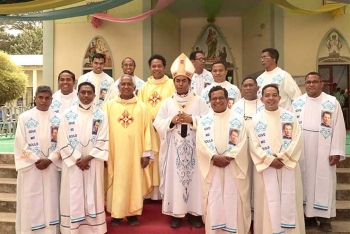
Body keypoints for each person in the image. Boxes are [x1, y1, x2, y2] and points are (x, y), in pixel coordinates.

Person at [153, 53, 209, 228]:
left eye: (184, 80)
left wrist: (192, 120)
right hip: (174, 150)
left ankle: (194, 214)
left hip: (194, 149)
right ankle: (176, 213)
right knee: (176, 181)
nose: (180, 83)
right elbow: (158, 122)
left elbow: (208, 122)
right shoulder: (167, 103)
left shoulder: (199, 101)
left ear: (189, 82)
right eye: (177, 80)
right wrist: (172, 121)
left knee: (195, 181)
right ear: (174, 82)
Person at [291, 72, 346, 232]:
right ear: (305, 84)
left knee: (325, 183)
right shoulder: (297, 103)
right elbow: (291, 128)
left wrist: (336, 150)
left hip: (325, 150)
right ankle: (307, 218)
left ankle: (325, 219)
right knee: (304, 182)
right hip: (303, 149)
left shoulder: (331, 102)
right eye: (308, 82)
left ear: (322, 84)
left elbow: (339, 128)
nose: (311, 85)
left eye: (315, 82)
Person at [249, 84, 305, 234]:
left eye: (274, 95)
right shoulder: (255, 120)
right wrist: (268, 160)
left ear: (280, 98)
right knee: (266, 204)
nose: (271, 98)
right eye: (267, 95)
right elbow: (253, 146)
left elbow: (297, 140)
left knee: (290, 200)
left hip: (287, 167)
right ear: (261, 99)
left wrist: (282, 158)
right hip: (266, 168)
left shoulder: (289, 117)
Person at [196, 86, 251, 234]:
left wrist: (228, 157)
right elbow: (200, 144)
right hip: (212, 168)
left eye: (221, 98)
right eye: (214, 98)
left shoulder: (238, 119)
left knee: (234, 200)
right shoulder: (204, 121)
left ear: (228, 100)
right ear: (209, 101)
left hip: (233, 167)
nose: (218, 101)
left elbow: (242, 144)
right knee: (214, 198)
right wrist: (213, 157)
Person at [104, 74, 157, 226]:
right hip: (114, 153)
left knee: (134, 181)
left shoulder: (142, 107)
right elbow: (102, 130)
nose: (126, 87)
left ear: (134, 88)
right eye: (123, 84)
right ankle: (117, 214)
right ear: (118, 87)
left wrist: (147, 153)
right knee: (117, 181)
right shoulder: (109, 106)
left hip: (136, 154)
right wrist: (104, 153)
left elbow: (148, 131)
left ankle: (133, 214)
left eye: (129, 84)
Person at [57, 82, 108, 234]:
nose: (86, 96)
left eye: (89, 93)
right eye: (83, 92)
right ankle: (72, 228)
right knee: (73, 192)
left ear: (94, 95)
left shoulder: (101, 115)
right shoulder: (67, 114)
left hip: (93, 162)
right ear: (77, 94)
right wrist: (77, 158)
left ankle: (95, 228)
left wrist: (89, 158)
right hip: (72, 164)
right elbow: (62, 139)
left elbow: (104, 139)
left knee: (93, 192)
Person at [14, 85, 61, 234]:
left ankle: (50, 230)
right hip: (31, 167)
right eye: (40, 97)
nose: (43, 100)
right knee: (30, 198)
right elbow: (20, 142)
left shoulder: (58, 119)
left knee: (51, 197)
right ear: (35, 98)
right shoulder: (25, 117)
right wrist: (35, 159)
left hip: (51, 167)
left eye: (47, 98)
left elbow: (63, 143)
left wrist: (50, 159)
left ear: (52, 100)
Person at [138, 54, 175, 200]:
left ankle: (165, 192)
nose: (156, 68)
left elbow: (175, 104)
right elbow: (140, 107)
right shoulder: (144, 87)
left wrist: (161, 122)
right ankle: (150, 193)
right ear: (150, 68)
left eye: (159, 66)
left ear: (164, 67)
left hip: (166, 130)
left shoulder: (172, 84)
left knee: (165, 158)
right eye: (153, 66)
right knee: (151, 158)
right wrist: (149, 122)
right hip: (149, 130)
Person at [231, 76, 264, 233]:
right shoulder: (235, 107)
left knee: (259, 185)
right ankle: (246, 217)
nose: (248, 88)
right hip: (242, 151)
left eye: (251, 85)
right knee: (245, 183)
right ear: (241, 88)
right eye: (245, 85)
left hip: (261, 151)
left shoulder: (265, 105)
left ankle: (259, 217)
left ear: (258, 88)